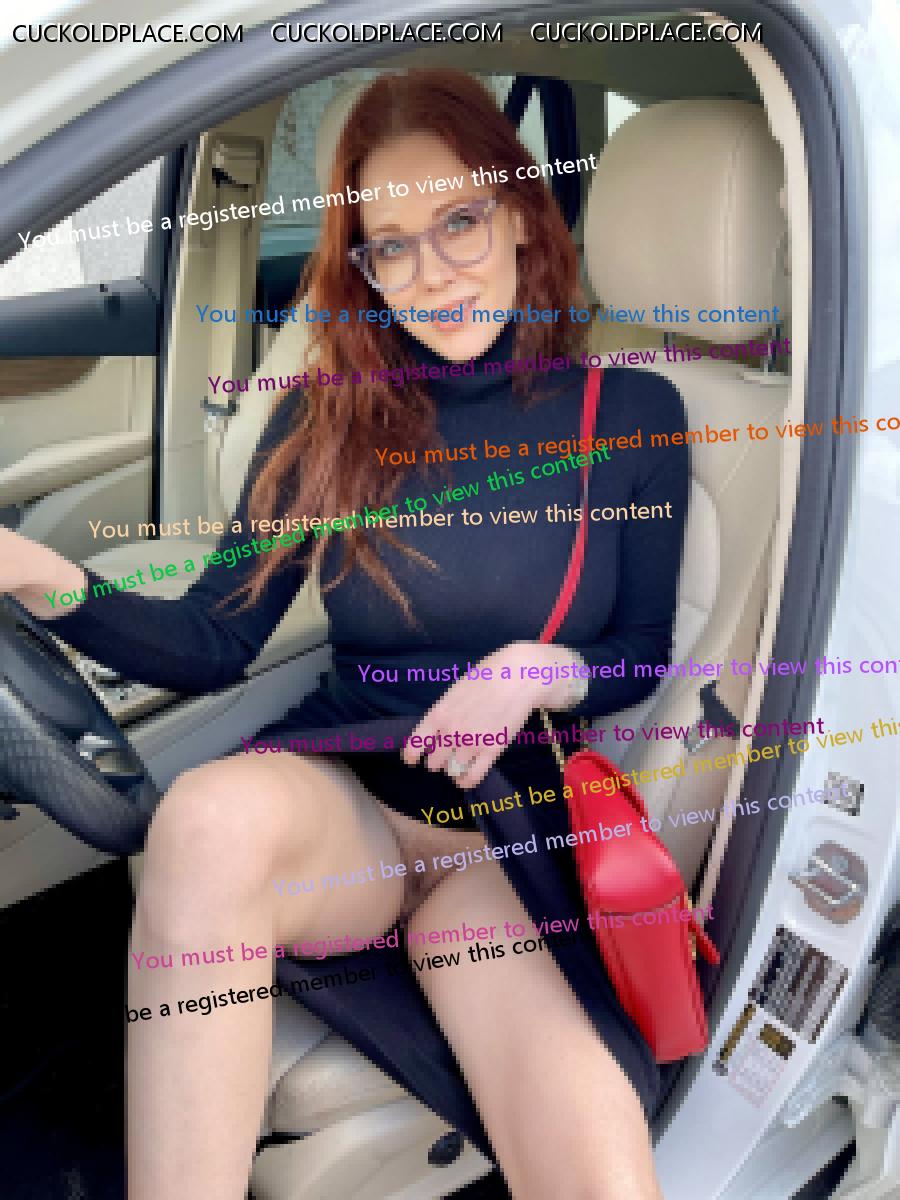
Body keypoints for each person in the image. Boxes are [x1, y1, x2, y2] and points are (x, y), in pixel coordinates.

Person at [1, 68, 688, 1200]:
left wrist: (539, 670)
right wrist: (42, 576)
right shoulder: (328, 420)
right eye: (392, 247)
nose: (435, 274)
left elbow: (643, 653)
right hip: (351, 803)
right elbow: (215, 640)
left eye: (460, 221)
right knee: (203, 820)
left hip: (499, 840)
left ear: (521, 215)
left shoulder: (630, 414)